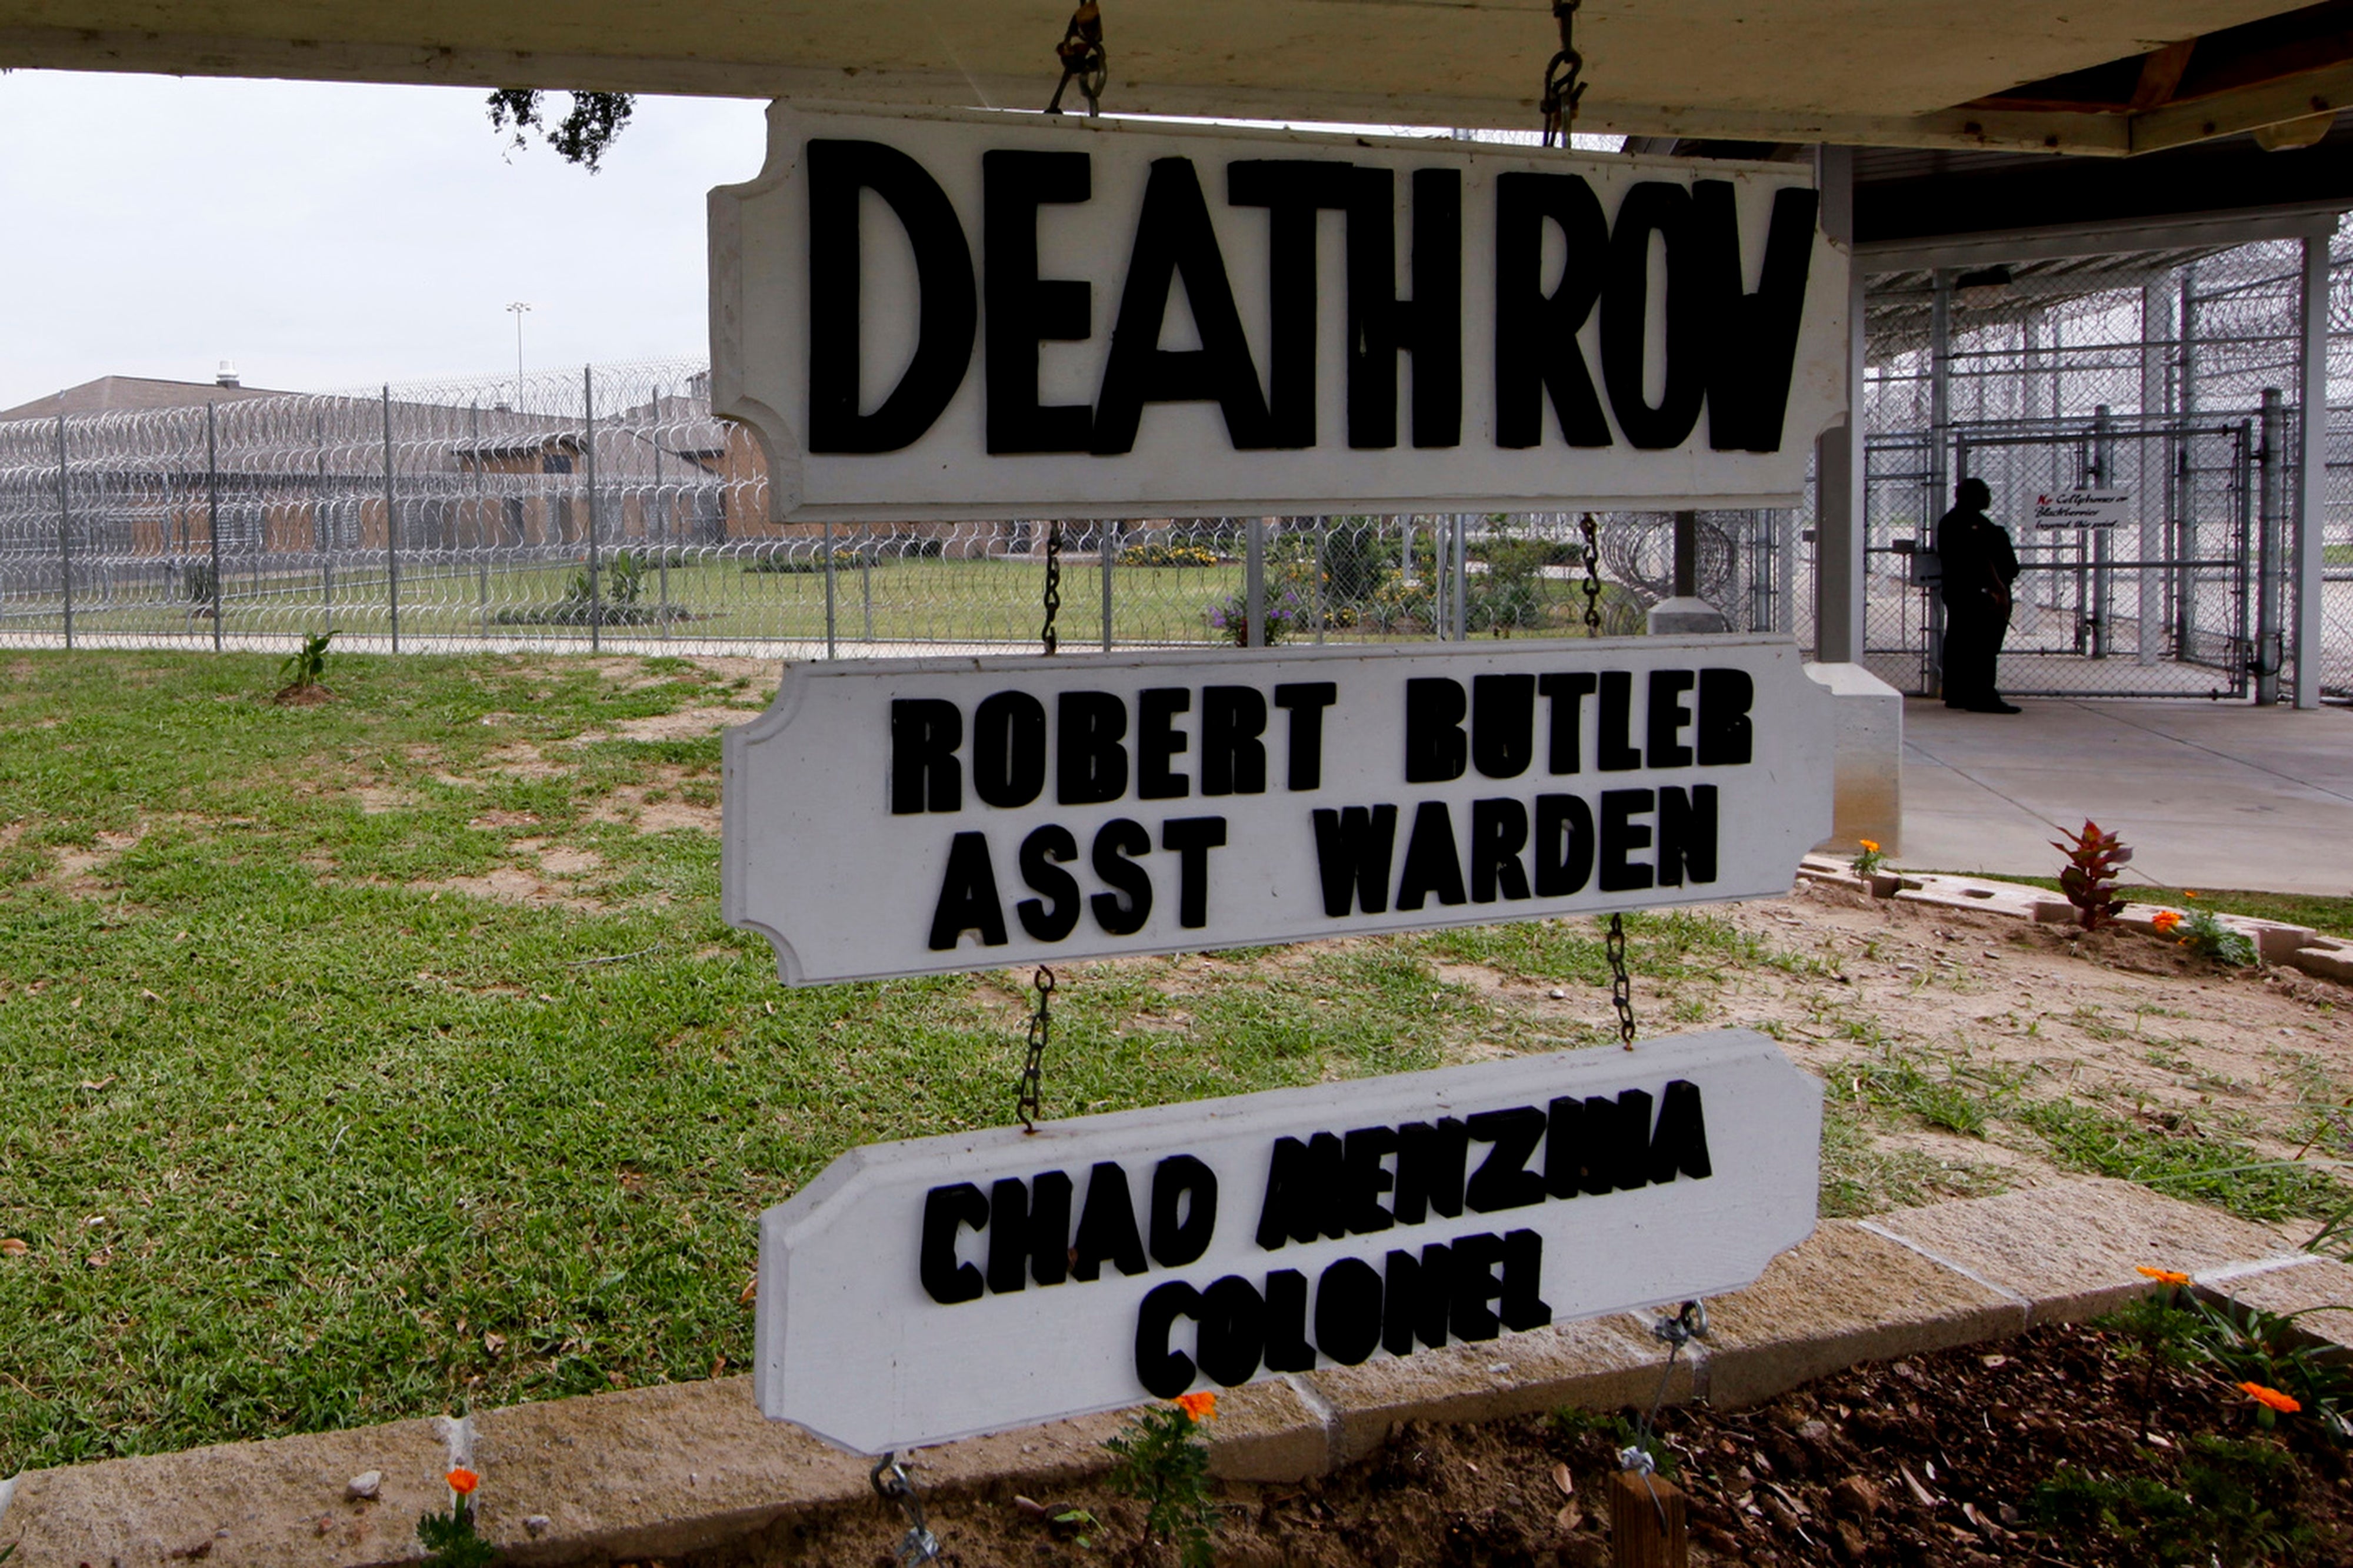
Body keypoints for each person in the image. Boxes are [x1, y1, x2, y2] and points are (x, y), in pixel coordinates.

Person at [1935, 477, 2021, 713]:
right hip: (1978, 592)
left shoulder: (1954, 522)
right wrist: (1998, 588)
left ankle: (1957, 693)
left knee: (1960, 642)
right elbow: (1980, 560)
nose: (1988, 498)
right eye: (1984, 493)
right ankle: (1982, 695)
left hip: (1961, 591)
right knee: (1982, 645)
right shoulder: (1969, 524)